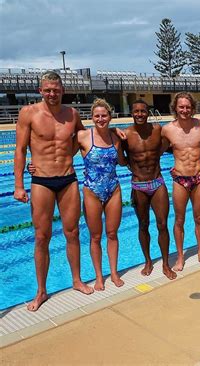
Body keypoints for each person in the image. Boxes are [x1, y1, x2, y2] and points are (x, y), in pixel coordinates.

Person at [13, 71, 93, 311]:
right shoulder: (29, 113)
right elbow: (20, 150)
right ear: (41, 90)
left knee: (73, 232)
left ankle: (77, 280)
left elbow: (85, 139)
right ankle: (41, 291)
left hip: (68, 179)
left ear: (62, 90)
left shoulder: (72, 114)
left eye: (56, 90)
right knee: (41, 237)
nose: (52, 93)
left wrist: (114, 136)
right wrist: (18, 185)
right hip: (41, 181)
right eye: (47, 89)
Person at [122, 100, 177, 280]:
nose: (139, 114)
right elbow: (121, 159)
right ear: (131, 113)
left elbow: (174, 141)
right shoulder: (126, 134)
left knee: (162, 224)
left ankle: (166, 264)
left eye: (143, 111)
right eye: (136, 111)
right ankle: (148, 261)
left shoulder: (158, 130)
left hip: (157, 182)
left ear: (148, 112)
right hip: (138, 185)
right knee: (143, 224)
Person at [77, 99, 127, 290]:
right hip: (91, 192)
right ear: (91, 118)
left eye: (104, 115)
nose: (100, 119)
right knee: (95, 237)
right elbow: (63, 155)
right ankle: (99, 276)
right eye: (96, 116)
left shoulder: (116, 138)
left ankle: (114, 273)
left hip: (113, 189)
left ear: (110, 117)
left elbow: (122, 162)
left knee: (112, 234)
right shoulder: (83, 136)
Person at [161, 92, 200, 271]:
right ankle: (180, 257)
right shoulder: (167, 129)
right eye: (181, 107)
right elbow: (154, 148)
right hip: (179, 179)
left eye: (188, 107)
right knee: (179, 219)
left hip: (198, 178)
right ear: (175, 108)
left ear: (193, 108)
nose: (184, 110)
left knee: (199, 218)